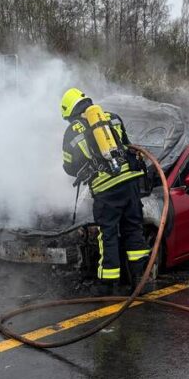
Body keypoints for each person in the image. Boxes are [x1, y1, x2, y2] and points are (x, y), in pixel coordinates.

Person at [60, 88, 152, 296]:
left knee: (108, 234)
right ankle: (141, 281)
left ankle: (108, 284)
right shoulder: (112, 117)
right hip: (130, 184)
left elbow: (69, 167)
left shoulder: (73, 130)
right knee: (134, 231)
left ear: (70, 112)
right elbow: (127, 145)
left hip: (106, 189)